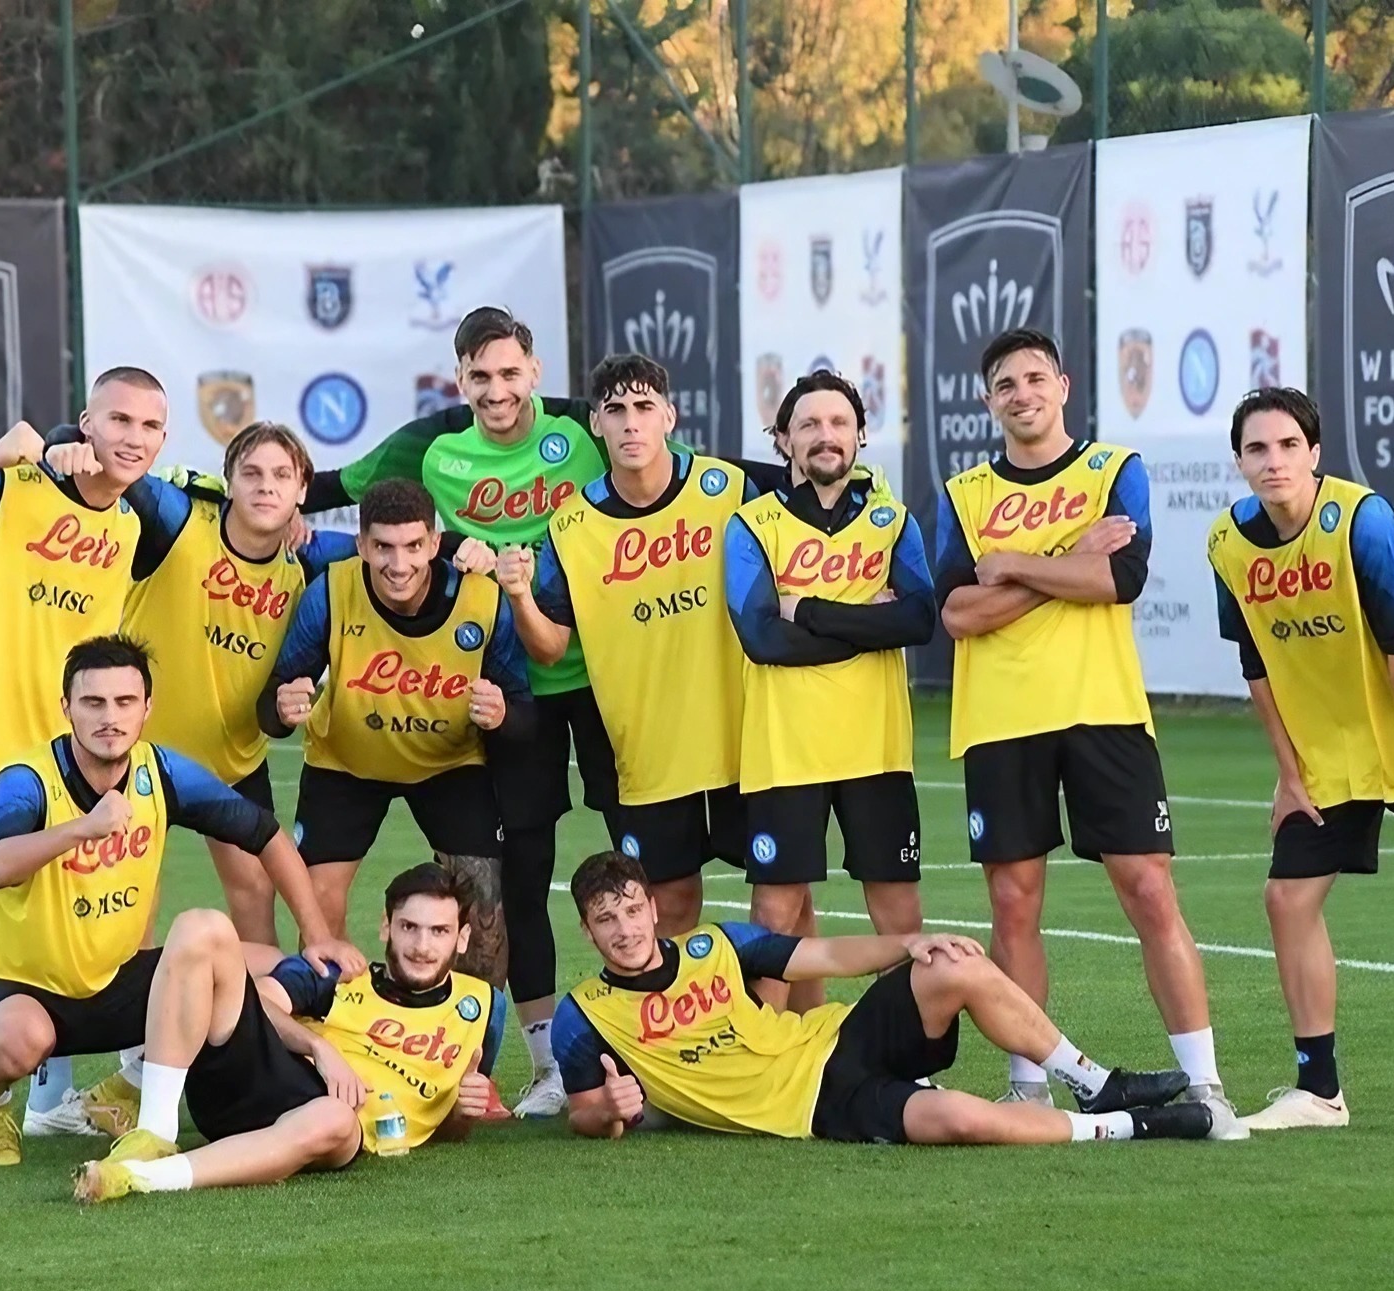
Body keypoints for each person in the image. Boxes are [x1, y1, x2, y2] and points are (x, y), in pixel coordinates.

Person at [300, 308, 622, 1116]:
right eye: (480, 377)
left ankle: (660, 1034)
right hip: (517, 691)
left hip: (607, 674)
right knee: (523, 878)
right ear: (460, 379)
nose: (496, 390)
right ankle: (541, 1065)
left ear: (536, 373)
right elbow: (339, 486)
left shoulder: (585, 433)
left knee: (650, 863)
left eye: (510, 374)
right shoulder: (435, 450)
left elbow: (672, 455)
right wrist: (284, 510)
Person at [0, 367, 201, 1157]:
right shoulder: (10, 491)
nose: (132, 437)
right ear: (83, 422)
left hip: (58, 764)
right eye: (117, 419)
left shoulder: (132, 526)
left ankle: (52, 1096)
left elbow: (237, 514)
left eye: (150, 427)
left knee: (72, 921)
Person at [932, 328, 1245, 1136]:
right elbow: (959, 614)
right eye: (1006, 383)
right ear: (988, 400)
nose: (1022, 393)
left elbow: (1119, 580)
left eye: (1036, 378)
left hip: (1104, 712)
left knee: (1149, 890)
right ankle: (1028, 1084)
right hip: (1002, 722)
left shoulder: (1115, 470)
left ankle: (1206, 1083)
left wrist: (1016, 562)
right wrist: (1065, 557)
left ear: (1063, 386)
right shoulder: (963, 491)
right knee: (1013, 905)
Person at [1208, 387, 1394, 1142]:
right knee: (1286, 901)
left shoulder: (1360, 521)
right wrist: (1287, 772)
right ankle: (1319, 1090)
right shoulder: (1228, 545)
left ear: (1313, 454)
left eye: (1286, 446)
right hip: (1331, 750)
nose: (1272, 461)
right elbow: (1257, 668)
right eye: (1256, 449)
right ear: (1239, 461)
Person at [0, 635, 365, 1166]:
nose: (109, 717)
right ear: (66, 707)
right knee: (21, 1039)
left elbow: (265, 835)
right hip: (12, 986)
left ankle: (133, 1094)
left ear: (147, 708)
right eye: (93, 703)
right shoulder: (26, 781)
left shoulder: (160, 773)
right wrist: (81, 829)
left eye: (124, 702)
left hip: (113, 977)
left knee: (261, 968)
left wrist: (319, 934)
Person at [550, 852, 1217, 1145]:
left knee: (955, 959)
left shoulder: (714, 944)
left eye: (632, 910)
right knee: (957, 1120)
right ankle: (1135, 1127)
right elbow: (583, 1113)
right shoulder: (584, 1015)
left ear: (652, 909)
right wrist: (608, 1110)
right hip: (816, 1107)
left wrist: (911, 943)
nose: (624, 930)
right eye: (606, 920)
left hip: (839, 1038)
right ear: (586, 929)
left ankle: (1091, 1080)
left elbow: (831, 957)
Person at [56, 421, 357, 945]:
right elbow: (108, 461)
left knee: (253, 887)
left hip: (233, 758)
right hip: (135, 753)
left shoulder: (310, 559)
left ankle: (257, 1017)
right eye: (252, 474)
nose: (266, 486)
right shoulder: (179, 521)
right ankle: (126, 1019)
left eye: (282, 476)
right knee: (128, 892)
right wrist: (67, 439)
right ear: (228, 482)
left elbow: (401, 543)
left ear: (302, 491)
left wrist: (472, 554)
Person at [501, 353, 766, 939]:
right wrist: (519, 596)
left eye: (644, 407)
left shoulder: (730, 492)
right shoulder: (570, 526)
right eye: (615, 410)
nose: (630, 424)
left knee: (784, 904)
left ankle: (801, 1032)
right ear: (596, 424)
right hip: (646, 751)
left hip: (744, 737)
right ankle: (680, 1031)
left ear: (669, 416)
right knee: (668, 907)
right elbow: (549, 648)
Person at [73, 861, 503, 1204]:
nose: (422, 947)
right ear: (386, 927)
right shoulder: (338, 976)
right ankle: (153, 1135)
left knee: (335, 1117)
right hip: (263, 1082)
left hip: (334, 1130)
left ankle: (142, 1177)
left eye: (439, 931)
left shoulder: (483, 1008)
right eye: (409, 927)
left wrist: (462, 1112)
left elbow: (445, 1125)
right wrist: (318, 1045)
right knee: (200, 925)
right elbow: (256, 1002)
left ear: (462, 938)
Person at [258, 479, 528, 1000]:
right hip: (345, 764)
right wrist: (282, 706)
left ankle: (471, 1064)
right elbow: (272, 702)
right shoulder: (332, 593)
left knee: (484, 908)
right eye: (382, 546)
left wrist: (503, 716)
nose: (397, 564)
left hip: (450, 765)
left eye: (411, 547)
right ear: (361, 545)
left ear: (433, 543)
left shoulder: (482, 599)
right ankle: (332, 1041)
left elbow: (525, 717)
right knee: (318, 903)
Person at [724, 371, 934, 1011]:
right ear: (783, 439)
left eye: (839, 423)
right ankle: (767, 1069)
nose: (825, 436)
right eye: (809, 425)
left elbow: (920, 620)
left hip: (876, 749)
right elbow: (761, 639)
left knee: (898, 915)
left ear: (861, 436)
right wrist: (871, 622)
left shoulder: (892, 521)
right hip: (784, 752)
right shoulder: (750, 525)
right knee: (776, 914)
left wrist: (809, 608)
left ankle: (905, 1069)